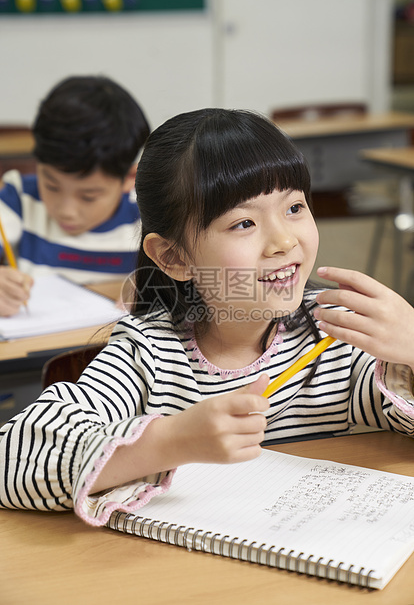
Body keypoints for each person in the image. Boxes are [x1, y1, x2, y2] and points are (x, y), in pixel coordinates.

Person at [1, 108, 413, 527]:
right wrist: (169, 442)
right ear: (174, 257)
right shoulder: (148, 353)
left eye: (294, 208)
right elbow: (13, 458)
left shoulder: (341, 335)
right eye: (244, 222)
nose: (285, 241)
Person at [0, 75, 150, 316]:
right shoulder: (18, 199)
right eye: (51, 186)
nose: (66, 210)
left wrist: (165, 289)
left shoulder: (149, 217)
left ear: (130, 178)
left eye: (88, 196)